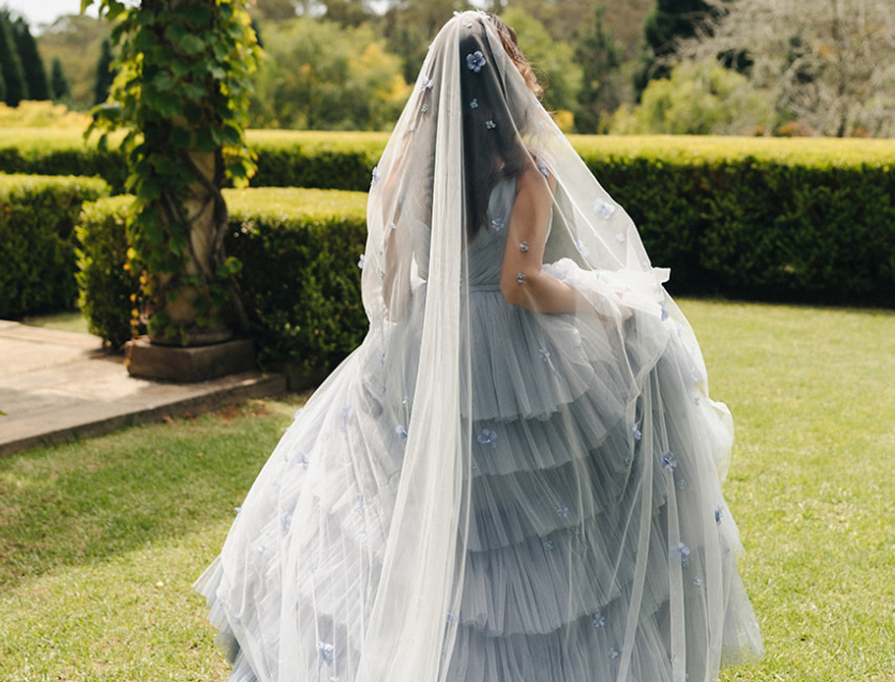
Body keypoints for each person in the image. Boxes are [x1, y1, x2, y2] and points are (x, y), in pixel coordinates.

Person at [195, 11, 763, 682]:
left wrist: (407, 332)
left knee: (419, 519)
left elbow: (397, 297)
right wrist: (605, 302)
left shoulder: (408, 163)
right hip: (515, 358)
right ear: (505, 84)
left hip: (421, 352)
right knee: (520, 533)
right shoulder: (526, 172)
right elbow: (520, 284)